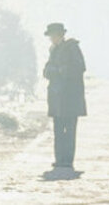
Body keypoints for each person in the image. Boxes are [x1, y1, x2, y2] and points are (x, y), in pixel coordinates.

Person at [43, 22, 87, 175]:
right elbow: (46, 71)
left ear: (60, 35)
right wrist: (54, 71)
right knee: (58, 129)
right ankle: (59, 159)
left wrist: (60, 71)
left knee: (69, 129)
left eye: (53, 36)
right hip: (56, 97)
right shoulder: (53, 50)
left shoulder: (72, 48)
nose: (52, 39)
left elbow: (79, 67)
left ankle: (67, 160)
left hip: (70, 97)